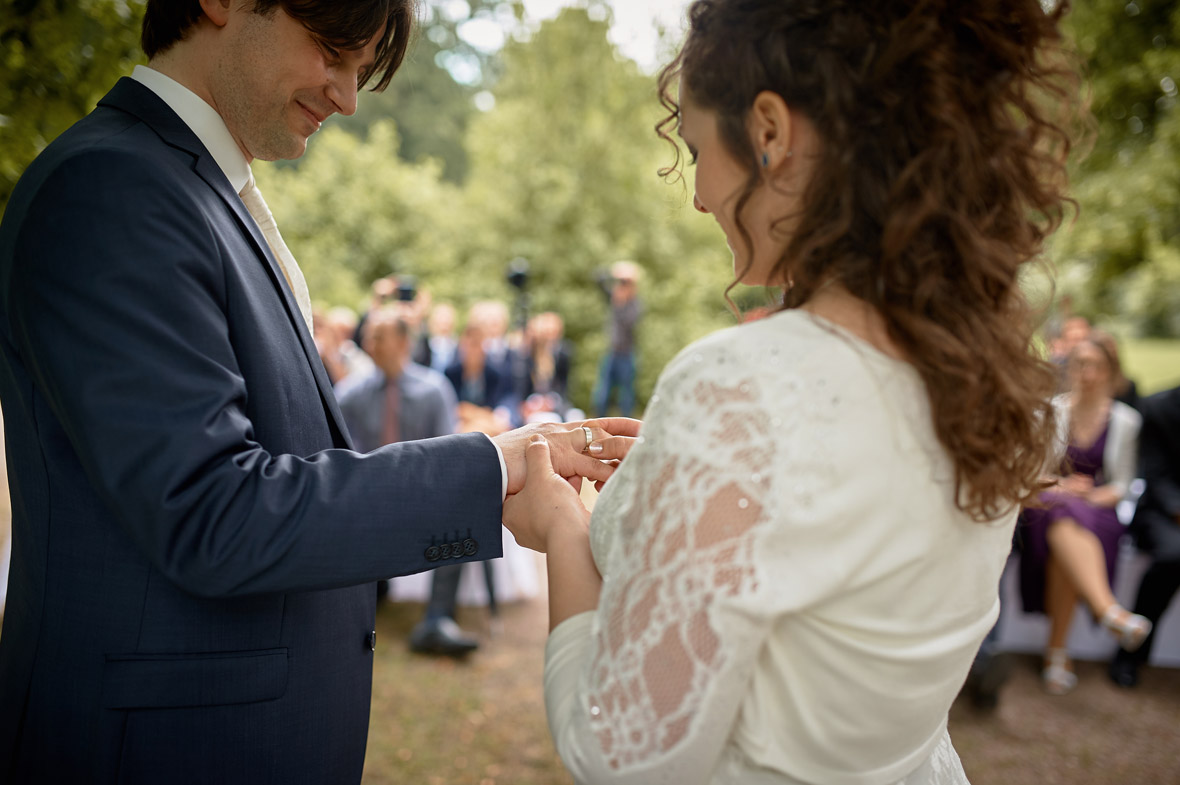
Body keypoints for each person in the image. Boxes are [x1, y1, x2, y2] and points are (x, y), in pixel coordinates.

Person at [0, 2, 630, 782]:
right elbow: (211, 511)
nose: (347, 97)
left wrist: (495, 491)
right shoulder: (112, 187)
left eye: (360, 70)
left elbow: (282, 469)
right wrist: (489, 465)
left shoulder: (199, 190)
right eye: (332, 52)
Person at [500, 1, 1087, 782]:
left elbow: (625, 757)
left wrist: (562, 525)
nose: (702, 195)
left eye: (699, 148)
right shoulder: (989, 371)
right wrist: (682, 472)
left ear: (769, 132)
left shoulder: (743, 386)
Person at [335, 308, 480, 657]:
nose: (368, 343)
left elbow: (448, 453)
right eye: (367, 336)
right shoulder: (350, 393)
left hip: (419, 496)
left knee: (460, 518)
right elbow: (334, 445)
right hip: (368, 497)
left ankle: (437, 621)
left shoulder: (434, 390)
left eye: (377, 336)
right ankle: (367, 597)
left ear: (402, 342)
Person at [1018, 337, 1148, 694]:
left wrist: (1089, 493)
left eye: (1096, 366)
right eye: (1080, 365)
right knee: (1062, 512)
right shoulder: (1050, 412)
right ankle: (1109, 611)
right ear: (1069, 369)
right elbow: (1034, 474)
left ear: (1110, 372)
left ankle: (1056, 654)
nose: (1088, 374)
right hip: (1051, 502)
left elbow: (1122, 483)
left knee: (1066, 545)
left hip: (1097, 509)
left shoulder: (1125, 420)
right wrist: (1063, 486)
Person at [1110, 384, 1180, 687]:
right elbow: (1154, 474)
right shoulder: (1158, 407)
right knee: (1173, 555)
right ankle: (1131, 652)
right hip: (1163, 510)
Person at [592, 260, 642, 418]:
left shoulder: (635, 304)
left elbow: (629, 322)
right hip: (612, 352)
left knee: (626, 396)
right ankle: (599, 422)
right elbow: (598, 279)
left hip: (626, 354)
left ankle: (626, 426)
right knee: (602, 394)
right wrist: (615, 271)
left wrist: (621, 303)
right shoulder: (613, 298)